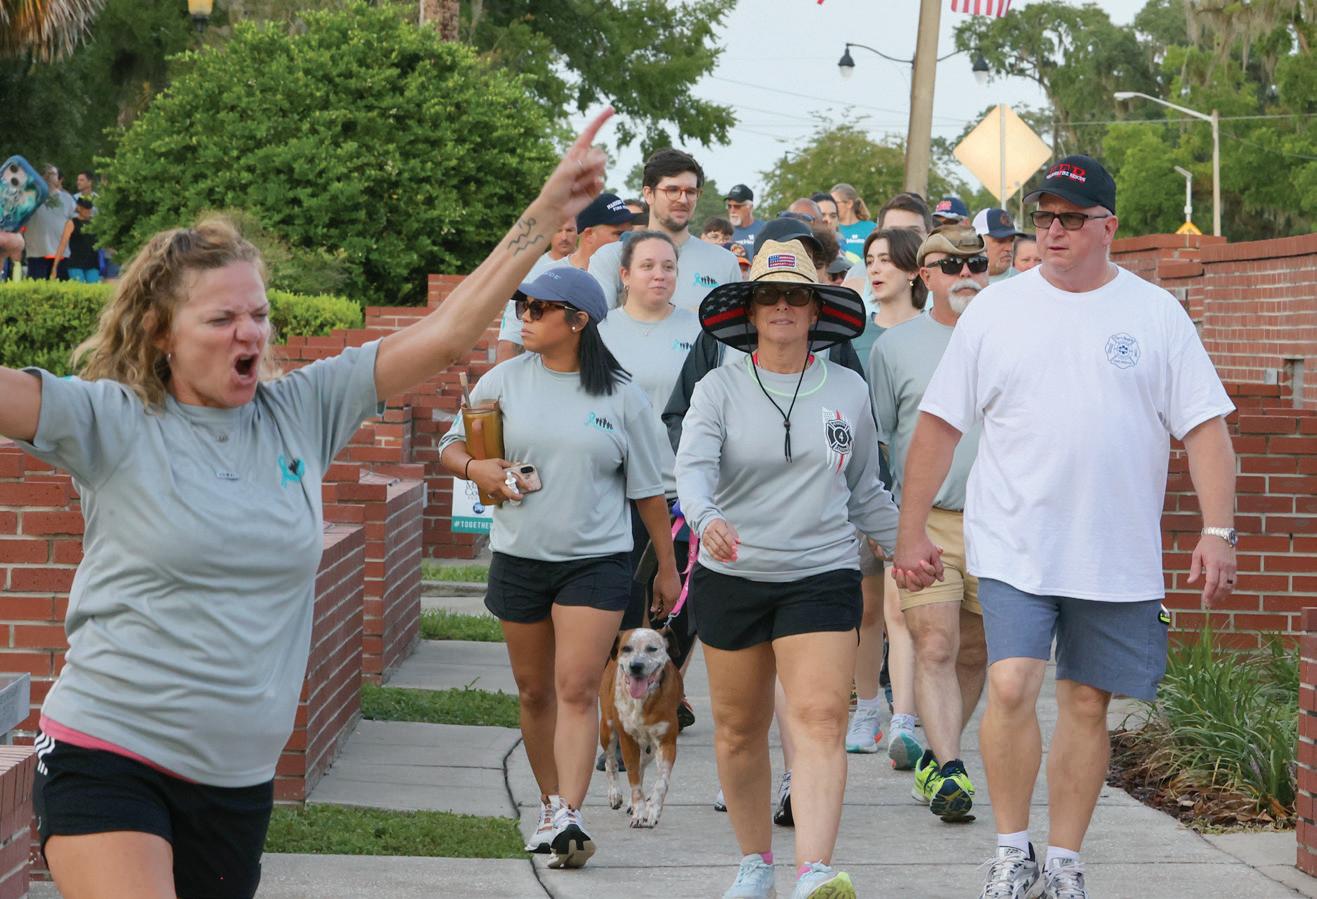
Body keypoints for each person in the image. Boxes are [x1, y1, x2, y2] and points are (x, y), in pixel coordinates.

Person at [17, 107, 618, 899]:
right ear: (161, 331)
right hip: (108, 750)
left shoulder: (300, 408)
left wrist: (545, 214)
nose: (249, 333)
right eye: (222, 318)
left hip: (235, 780)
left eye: (259, 315)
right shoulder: (110, 419)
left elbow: (444, 336)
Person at [894, 156, 1237, 899]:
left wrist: (1218, 530)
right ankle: (1010, 849)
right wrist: (910, 529)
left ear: (1107, 227)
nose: (1053, 230)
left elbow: (1205, 429)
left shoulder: (1155, 314)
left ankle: (1064, 860)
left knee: (1086, 702)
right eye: (1043, 217)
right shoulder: (995, 311)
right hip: (1014, 541)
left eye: (1071, 218)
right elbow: (939, 425)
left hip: (1114, 551)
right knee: (1011, 682)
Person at [677, 238, 900, 899]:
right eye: (768, 295)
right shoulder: (718, 386)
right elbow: (692, 469)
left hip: (821, 573)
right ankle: (755, 864)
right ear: (749, 311)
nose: (782, 306)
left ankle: (814, 871)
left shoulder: (848, 389)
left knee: (822, 717)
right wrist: (705, 518)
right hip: (733, 575)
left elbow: (864, 489)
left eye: (796, 295)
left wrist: (906, 545)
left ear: (815, 309)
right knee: (739, 728)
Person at [440, 263, 680, 871]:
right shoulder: (502, 380)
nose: (523, 317)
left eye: (537, 308)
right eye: (522, 307)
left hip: (595, 562)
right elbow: (452, 444)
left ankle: (571, 815)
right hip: (519, 557)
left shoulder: (620, 395)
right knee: (534, 690)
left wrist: (667, 567)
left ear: (577, 321)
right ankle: (548, 806)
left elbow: (649, 492)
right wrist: (476, 468)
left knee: (576, 687)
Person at [873, 227, 991, 823]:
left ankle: (940, 762)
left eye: (977, 262)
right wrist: (890, 525)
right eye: (950, 265)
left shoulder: (1009, 335)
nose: (965, 273)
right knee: (937, 644)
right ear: (925, 275)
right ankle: (950, 767)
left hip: (999, 524)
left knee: (975, 652)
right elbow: (878, 442)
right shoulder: (894, 348)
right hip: (929, 521)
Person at [841, 227, 928, 769]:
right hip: (862, 490)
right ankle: (867, 708)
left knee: (903, 609)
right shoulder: (857, 337)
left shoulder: (933, 333)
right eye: (870, 260)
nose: (875, 269)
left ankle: (906, 718)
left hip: (914, 494)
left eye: (886, 261)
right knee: (867, 608)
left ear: (914, 270)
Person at [590, 148, 741, 312]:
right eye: (673, 190)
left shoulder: (725, 262)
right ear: (648, 194)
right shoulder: (612, 257)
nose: (683, 200)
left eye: (691, 192)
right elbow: (598, 322)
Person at [497, 193, 637, 361]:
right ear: (589, 234)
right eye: (619, 234)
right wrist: (505, 378)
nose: (625, 243)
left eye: (629, 235)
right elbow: (510, 343)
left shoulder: (632, 279)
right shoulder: (541, 275)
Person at [25, 164, 75, 280]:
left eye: (53, 174)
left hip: (60, 255)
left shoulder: (67, 199)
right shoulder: (30, 197)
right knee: (36, 288)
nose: (49, 177)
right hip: (37, 253)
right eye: (47, 174)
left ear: (58, 178)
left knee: (60, 288)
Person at [50, 197, 101, 282]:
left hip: (92, 263)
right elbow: (62, 245)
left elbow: (102, 241)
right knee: (79, 287)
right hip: (76, 264)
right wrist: (55, 267)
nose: (88, 210)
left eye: (89, 208)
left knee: (95, 287)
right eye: (85, 208)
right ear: (79, 208)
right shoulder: (72, 223)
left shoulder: (95, 223)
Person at [972, 207, 1025, 283]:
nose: (1009, 248)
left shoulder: (1024, 283)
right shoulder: (962, 280)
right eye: (1000, 241)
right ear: (978, 243)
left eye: (1011, 240)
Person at [829, 183, 873, 264]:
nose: (832, 206)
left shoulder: (871, 228)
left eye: (835, 203)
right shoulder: (831, 229)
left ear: (849, 203)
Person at [725, 184, 764, 257]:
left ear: (750, 207)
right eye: (729, 206)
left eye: (737, 206)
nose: (732, 210)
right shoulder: (722, 231)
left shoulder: (765, 229)